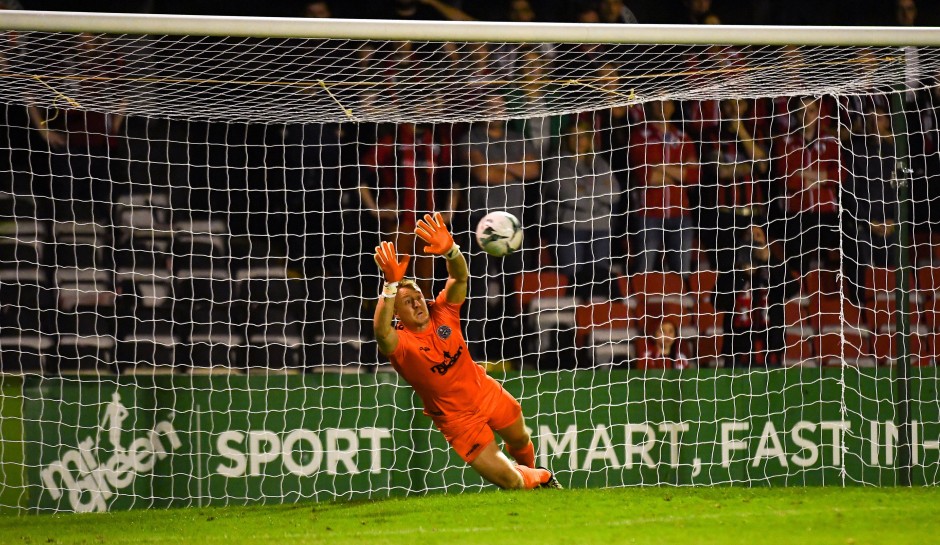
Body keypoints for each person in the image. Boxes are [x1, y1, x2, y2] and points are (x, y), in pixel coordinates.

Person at [373, 213, 561, 490]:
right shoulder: (400, 343)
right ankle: (541, 476)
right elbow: (380, 332)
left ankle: (534, 481)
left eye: (418, 297)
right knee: (511, 481)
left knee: (521, 439)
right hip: (458, 421)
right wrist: (390, 287)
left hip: (484, 391)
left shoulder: (443, 313)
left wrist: (451, 250)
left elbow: (460, 278)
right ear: (397, 314)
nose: (417, 303)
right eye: (408, 302)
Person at [544, 118, 621, 299]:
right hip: (570, 229)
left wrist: (584, 189)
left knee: (599, 278)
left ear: (589, 139)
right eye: (573, 136)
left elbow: (615, 192)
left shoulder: (600, 163)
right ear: (566, 138)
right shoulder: (557, 164)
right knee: (572, 280)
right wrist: (597, 194)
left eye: (583, 136)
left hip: (600, 228)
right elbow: (570, 196)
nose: (578, 140)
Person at [628, 99, 699, 276]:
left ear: (673, 106)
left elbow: (694, 176)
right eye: (658, 102)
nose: (662, 106)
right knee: (644, 274)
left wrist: (660, 166)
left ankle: (680, 304)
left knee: (682, 274)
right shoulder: (639, 136)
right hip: (648, 215)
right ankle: (643, 304)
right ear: (650, 105)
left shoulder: (683, 137)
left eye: (667, 102)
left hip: (680, 214)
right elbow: (646, 176)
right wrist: (678, 172)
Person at [713, 225, 798, 368]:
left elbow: (792, 289)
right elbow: (717, 301)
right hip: (738, 350)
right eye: (749, 236)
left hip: (769, 347)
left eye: (758, 235)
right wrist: (741, 273)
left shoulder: (775, 266)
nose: (754, 240)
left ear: (765, 241)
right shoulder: (733, 269)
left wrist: (769, 260)